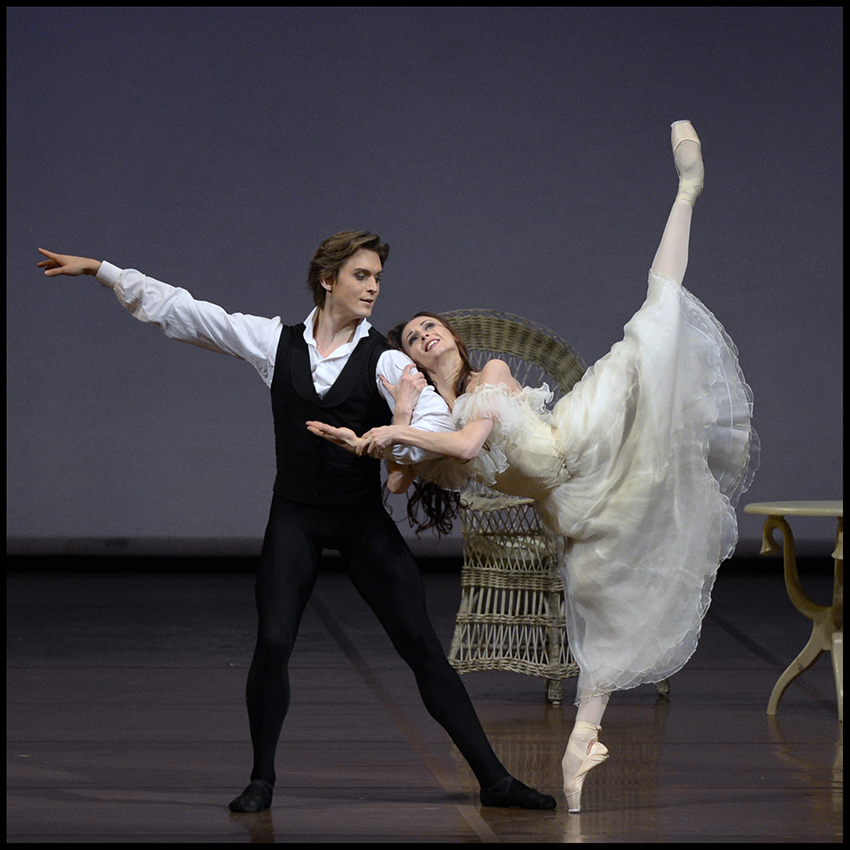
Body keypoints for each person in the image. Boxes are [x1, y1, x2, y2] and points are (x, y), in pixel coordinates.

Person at [308, 122, 760, 813]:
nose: (424, 337)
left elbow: (463, 450)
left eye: (430, 327)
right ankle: (582, 745)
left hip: (577, 439)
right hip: (570, 504)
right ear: (414, 360)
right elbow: (403, 479)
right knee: (599, 612)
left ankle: (687, 192)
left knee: (653, 323)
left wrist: (392, 428)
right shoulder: (431, 411)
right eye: (411, 340)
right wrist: (392, 421)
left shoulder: (488, 375)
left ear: (450, 337)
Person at [36, 231, 557, 812]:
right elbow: (186, 312)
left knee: (421, 648)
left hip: (360, 522)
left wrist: (395, 423)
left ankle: (495, 780)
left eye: (379, 278)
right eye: (362, 276)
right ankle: (261, 779)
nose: (374, 288)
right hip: (296, 520)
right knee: (274, 641)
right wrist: (102, 270)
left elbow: (435, 436)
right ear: (328, 280)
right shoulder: (273, 341)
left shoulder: (386, 361)